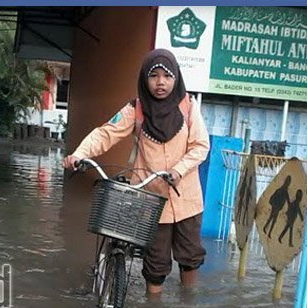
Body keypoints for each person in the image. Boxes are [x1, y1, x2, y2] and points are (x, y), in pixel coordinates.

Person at [62, 48, 210, 295]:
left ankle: (187, 305)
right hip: (151, 199)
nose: (160, 82)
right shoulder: (136, 109)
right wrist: (79, 154)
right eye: (154, 76)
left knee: (190, 255)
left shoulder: (188, 106)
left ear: (176, 78)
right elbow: (105, 134)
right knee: (156, 262)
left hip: (187, 198)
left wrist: (178, 170)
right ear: (144, 79)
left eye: (167, 76)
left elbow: (200, 146)